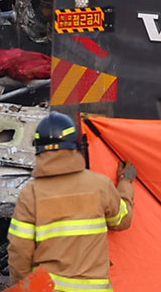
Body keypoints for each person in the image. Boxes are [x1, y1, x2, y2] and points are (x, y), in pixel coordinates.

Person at [8, 112, 136, 291]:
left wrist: (22, 285)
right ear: (75, 146)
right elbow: (122, 219)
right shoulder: (99, 186)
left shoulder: (31, 194)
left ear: (38, 149)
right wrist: (125, 183)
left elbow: (20, 251)